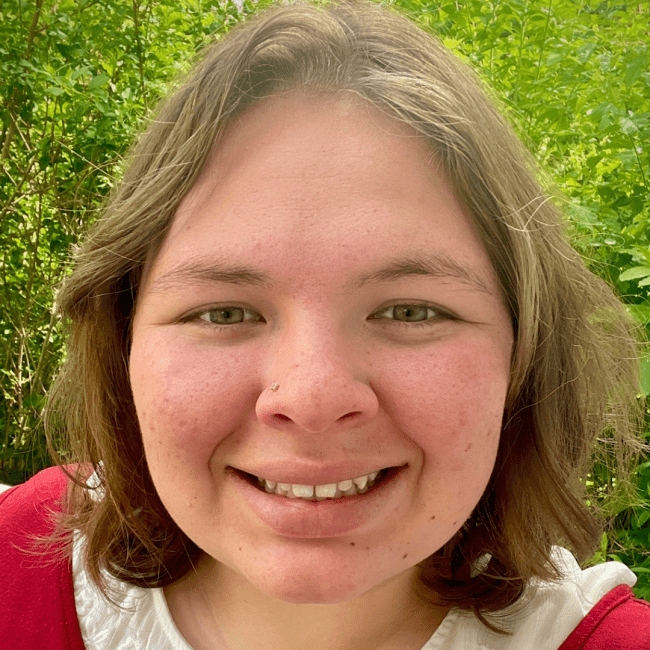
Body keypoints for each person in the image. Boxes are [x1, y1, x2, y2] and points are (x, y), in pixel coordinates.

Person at [1, 0, 649, 648]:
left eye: (410, 311)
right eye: (224, 312)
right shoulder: (15, 560)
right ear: (124, 344)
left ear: (524, 353)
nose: (312, 399)